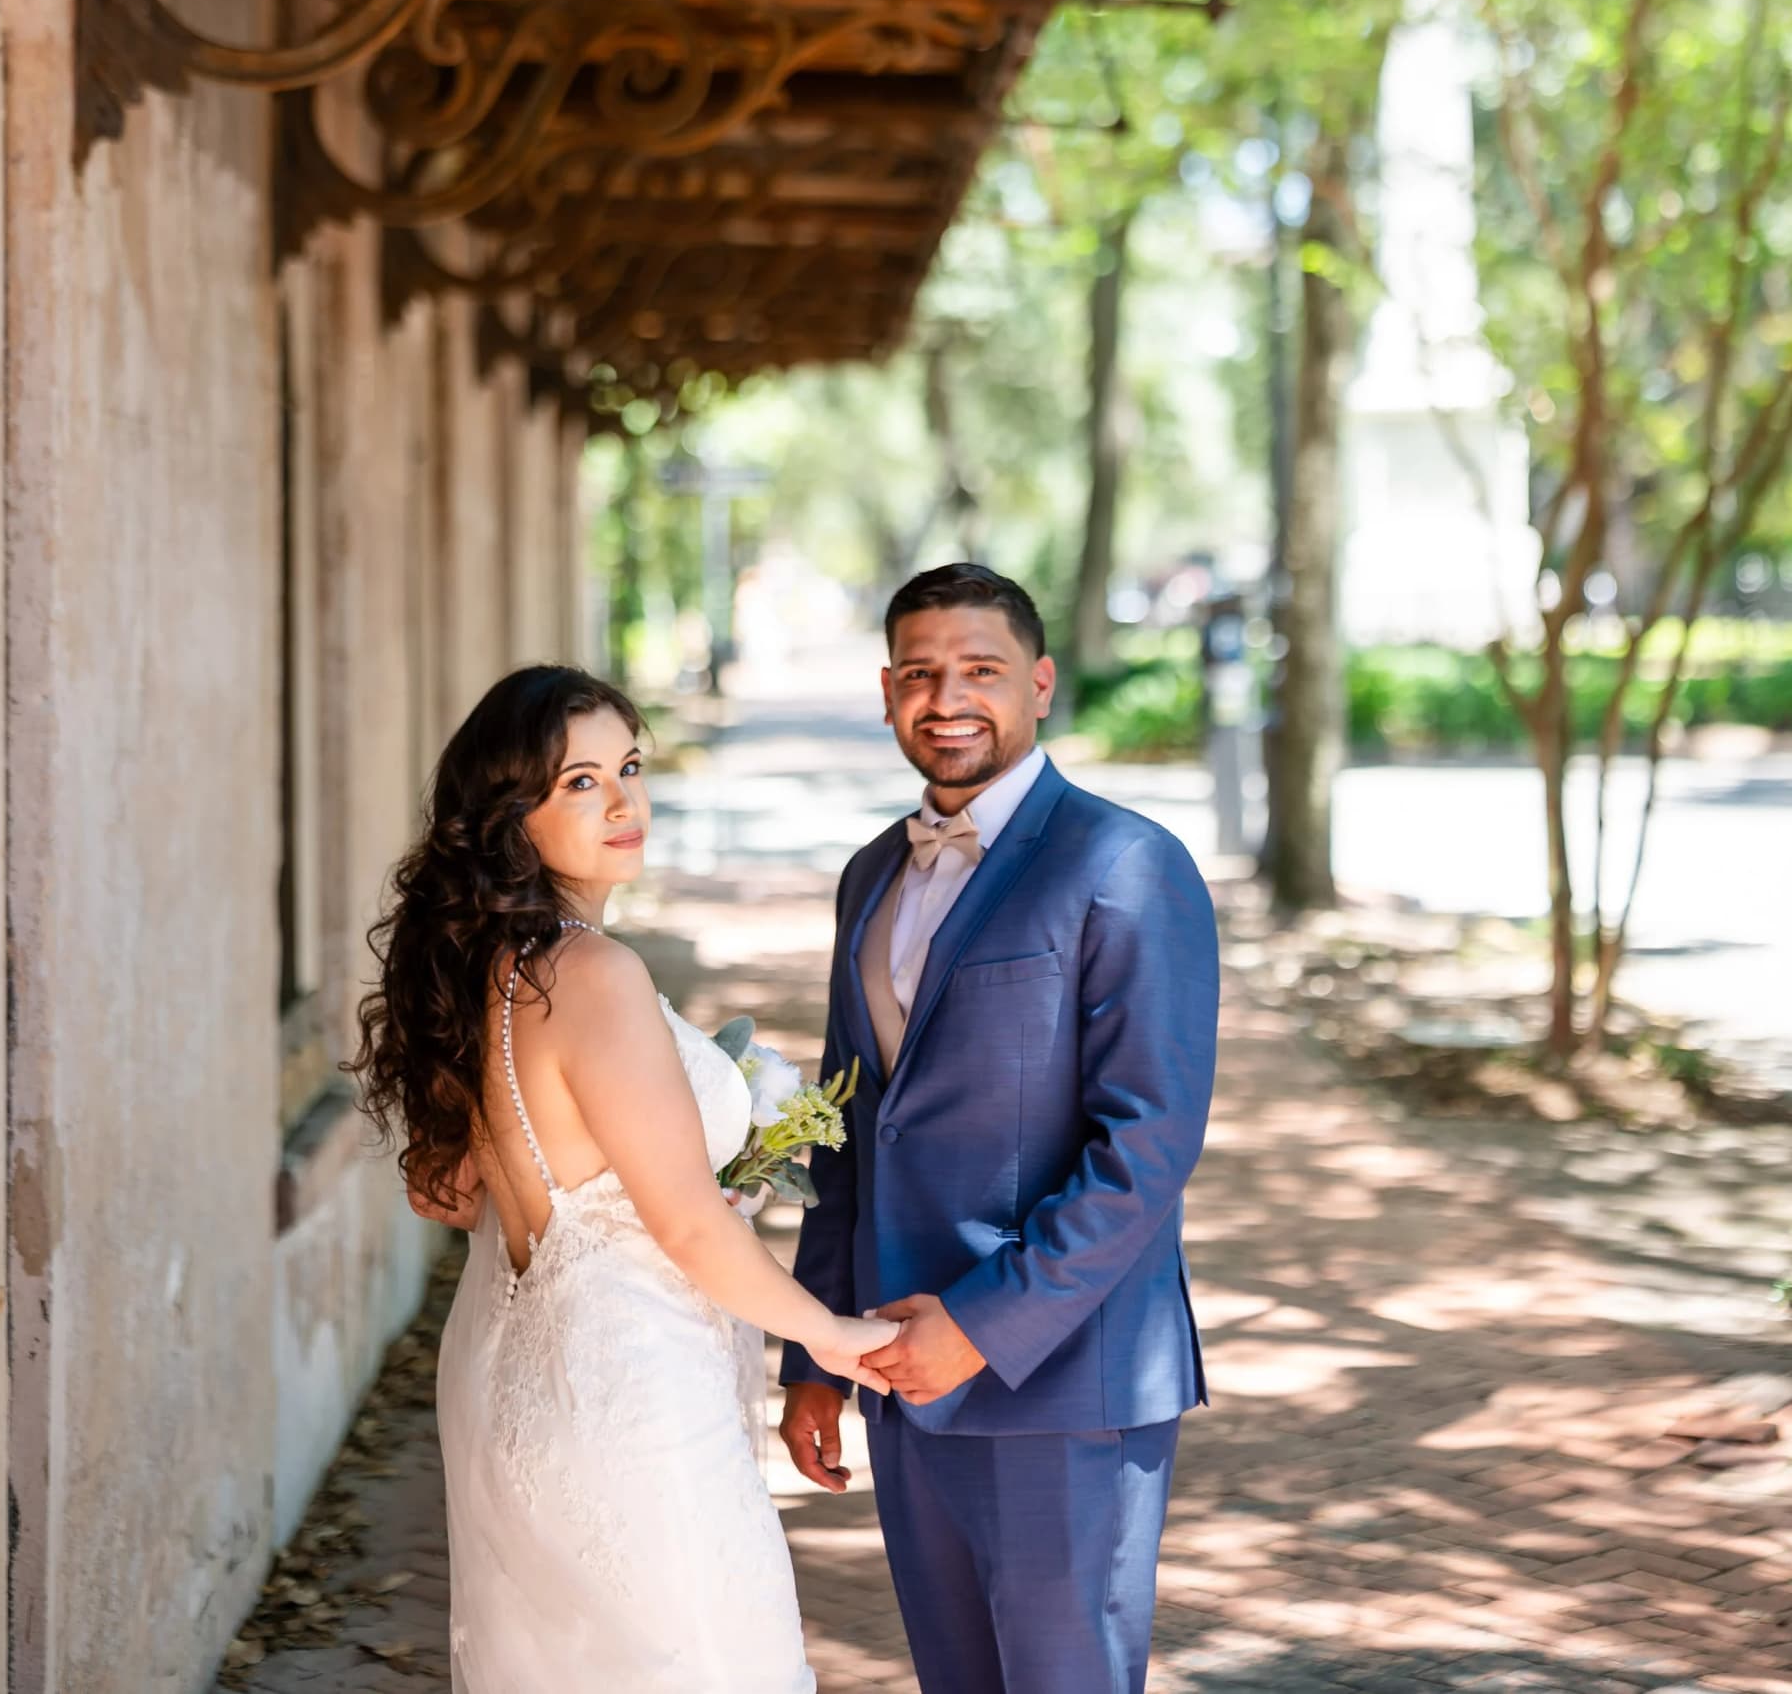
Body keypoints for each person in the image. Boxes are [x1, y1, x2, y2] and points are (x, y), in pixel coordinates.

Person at [354, 664, 893, 1694]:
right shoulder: (594, 974)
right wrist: (835, 1336)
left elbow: (452, 1191)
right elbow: (687, 1227)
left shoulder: (485, 970)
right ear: (510, 817)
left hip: (514, 1375)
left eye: (630, 768)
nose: (622, 802)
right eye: (580, 782)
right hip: (632, 1390)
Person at [778, 562, 1220, 1694]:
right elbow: (846, 1129)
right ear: (888, 691)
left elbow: (1148, 1146)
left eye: (981, 669)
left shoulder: (1125, 863)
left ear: (1041, 682)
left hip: (1061, 1381)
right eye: (920, 674)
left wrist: (979, 1325)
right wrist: (816, 1356)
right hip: (898, 1373)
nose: (948, 700)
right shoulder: (871, 874)